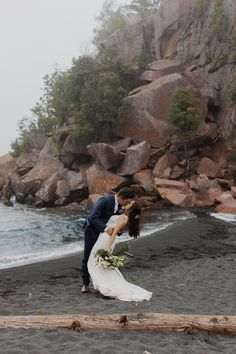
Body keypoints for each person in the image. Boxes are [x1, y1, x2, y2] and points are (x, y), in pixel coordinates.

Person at [87, 201, 152, 301]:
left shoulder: (123, 218)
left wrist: (108, 248)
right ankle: (104, 285)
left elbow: (114, 233)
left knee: (93, 263)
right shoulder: (124, 217)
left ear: (131, 208)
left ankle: (105, 286)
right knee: (97, 263)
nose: (128, 203)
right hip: (105, 238)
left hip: (106, 240)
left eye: (130, 203)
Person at [80, 187, 135, 293]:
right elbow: (92, 217)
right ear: (122, 198)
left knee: (102, 256)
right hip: (92, 231)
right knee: (87, 256)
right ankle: (85, 284)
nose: (127, 204)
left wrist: (118, 231)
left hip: (105, 236)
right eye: (127, 201)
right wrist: (106, 229)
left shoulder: (121, 206)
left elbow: (115, 222)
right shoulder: (104, 201)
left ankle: (101, 282)